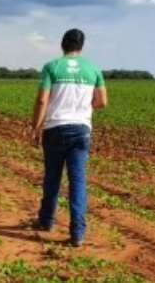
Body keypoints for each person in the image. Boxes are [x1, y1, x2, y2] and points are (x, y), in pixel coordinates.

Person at [30, 29, 108, 248]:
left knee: (52, 178)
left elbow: (42, 101)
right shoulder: (93, 69)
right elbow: (102, 101)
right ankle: (77, 233)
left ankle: (47, 221)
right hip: (81, 129)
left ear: (62, 44)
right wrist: (84, 107)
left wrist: (35, 128)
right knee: (78, 182)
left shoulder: (51, 67)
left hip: (55, 129)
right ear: (82, 46)